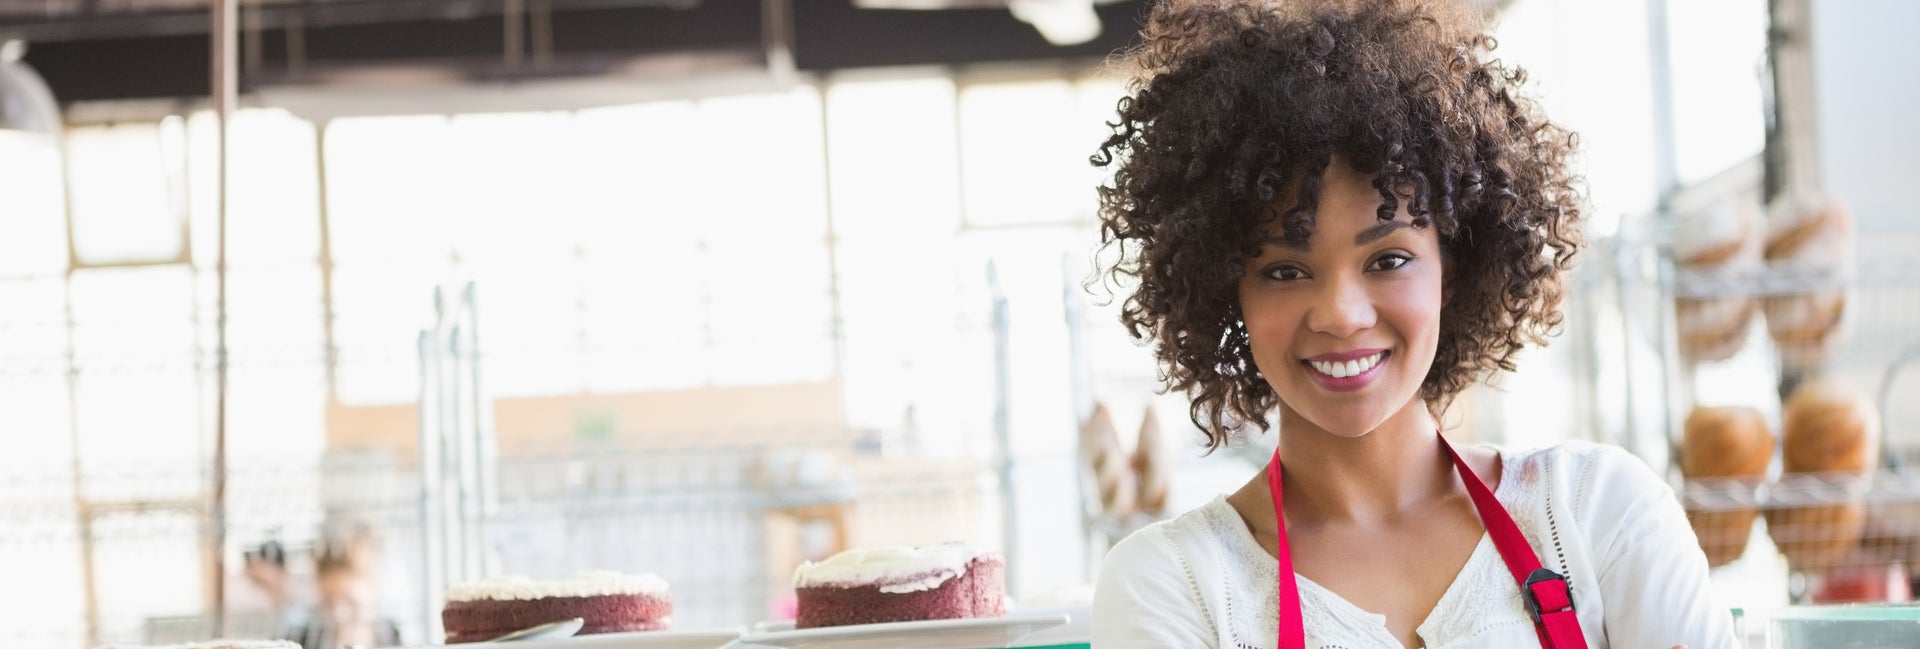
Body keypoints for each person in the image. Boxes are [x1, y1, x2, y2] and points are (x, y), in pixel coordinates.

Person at [1085, 1, 1737, 648]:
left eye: (1388, 258)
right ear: (1229, 291)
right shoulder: (1173, 585)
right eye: (1285, 270)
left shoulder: (1600, 515)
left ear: (1453, 268)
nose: (1341, 313)